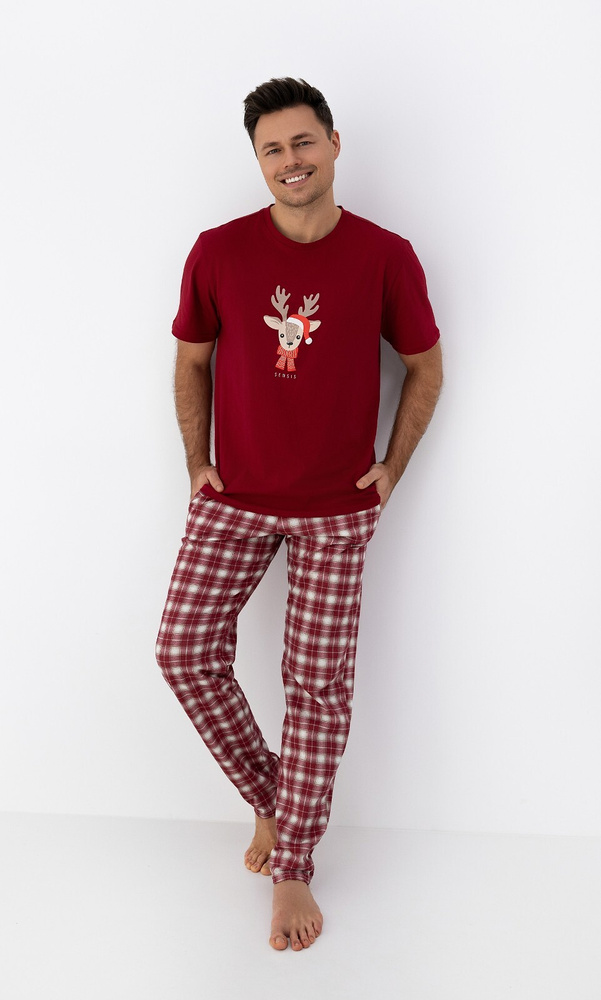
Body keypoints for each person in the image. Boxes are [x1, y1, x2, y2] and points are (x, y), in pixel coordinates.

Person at [155, 77, 443, 952]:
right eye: (272, 148)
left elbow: (425, 368)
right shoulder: (218, 250)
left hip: (334, 512)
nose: (291, 160)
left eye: (303, 141)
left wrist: (389, 471)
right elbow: (191, 361)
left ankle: (293, 867)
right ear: (257, 159)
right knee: (183, 651)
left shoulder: (385, 255)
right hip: (233, 500)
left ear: (334, 143)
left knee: (316, 689)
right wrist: (197, 465)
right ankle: (275, 801)